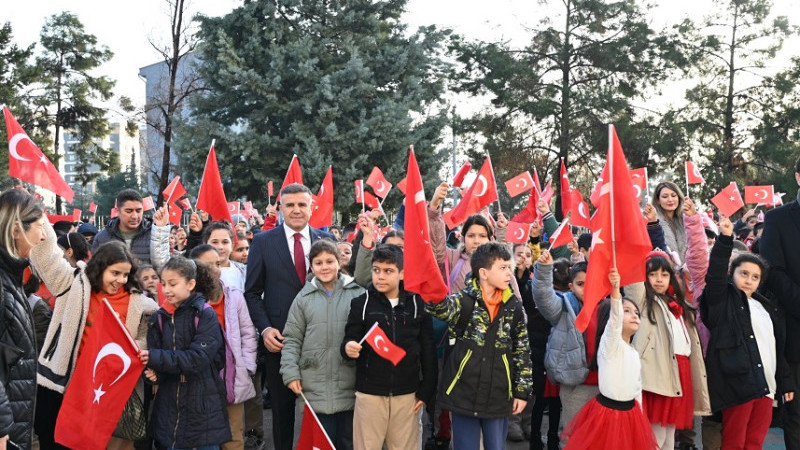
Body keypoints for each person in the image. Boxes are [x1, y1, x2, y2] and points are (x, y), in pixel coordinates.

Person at [31, 223, 158, 449]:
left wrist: (127, 346)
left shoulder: (141, 304)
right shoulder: (74, 285)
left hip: (110, 393)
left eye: (125, 274)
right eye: (115, 273)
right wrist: (39, 222)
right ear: (99, 268)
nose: (120, 280)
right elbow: (47, 259)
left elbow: (147, 338)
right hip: (68, 385)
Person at [244, 183, 333, 450]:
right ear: (280, 207)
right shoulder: (262, 241)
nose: (296, 210)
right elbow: (252, 293)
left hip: (321, 341)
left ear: (311, 207)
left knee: (322, 411)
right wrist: (265, 329)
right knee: (282, 412)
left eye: (302, 204)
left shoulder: (325, 242)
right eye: (290, 205)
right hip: (280, 341)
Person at [425, 242, 532, 450]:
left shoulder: (514, 307)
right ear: (483, 273)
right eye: (502, 268)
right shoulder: (462, 301)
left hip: (498, 396)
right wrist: (429, 279)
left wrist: (522, 391)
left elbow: (522, 351)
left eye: (509, 268)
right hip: (464, 395)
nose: (508, 273)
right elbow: (438, 308)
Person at [701, 215, 795, 449]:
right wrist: (724, 239)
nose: (749, 280)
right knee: (735, 441)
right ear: (731, 274)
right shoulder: (722, 301)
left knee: (755, 441)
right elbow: (714, 275)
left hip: (766, 387)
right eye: (743, 274)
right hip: (737, 385)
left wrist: (785, 383)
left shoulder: (766, 308)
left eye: (755, 277)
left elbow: (775, 349)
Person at [342, 244, 437, 450]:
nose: (381, 277)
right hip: (370, 395)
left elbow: (428, 350)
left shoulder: (417, 304)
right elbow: (350, 338)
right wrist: (348, 347)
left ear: (402, 274)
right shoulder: (362, 303)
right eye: (376, 270)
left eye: (388, 271)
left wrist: (426, 390)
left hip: (407, 395)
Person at [281, 240, 365, 449]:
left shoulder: (356, 293)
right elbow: (292, 338)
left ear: (339, 262)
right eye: (318, 263)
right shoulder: (303, 298)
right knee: (320, 443)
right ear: (311, 266)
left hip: (349, 385)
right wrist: (290, 373)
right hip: (313, 387)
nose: (324, 267)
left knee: (348, 442)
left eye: (330, 261)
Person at [561, 269, 656, 450]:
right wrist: (615, 290)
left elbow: (637, 389)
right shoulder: (611, 344)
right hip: (607, 415)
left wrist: (641, 415)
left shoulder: (633, 351)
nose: (634, 315)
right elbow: (615, 320)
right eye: (627, 311)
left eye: (636, 312)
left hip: (631, 415)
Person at [144, 256, 231, 449]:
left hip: (202, 401)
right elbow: (156, 358)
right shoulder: (160, 316)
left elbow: (197, 359)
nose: (166, 290)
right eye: (164, 283)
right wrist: (154, 375)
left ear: (191, 284)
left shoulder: (204, 314)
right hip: (169, 401)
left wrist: (154, 357)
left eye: (173, 284)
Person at [627, 252, 711, 449]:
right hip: (659, 372)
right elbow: (634, 286)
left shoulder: (678, 306)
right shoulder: (643, 302)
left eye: (664, 274)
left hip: (680, 370)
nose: (659, 279)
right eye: (652, 274)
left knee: (669, 434)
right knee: (655, 435)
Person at [189, 246, 259, 450]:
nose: (214, 269)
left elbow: (248, 332)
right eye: (207, 264)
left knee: (233, 435)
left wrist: (246, 366)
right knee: (205, 436)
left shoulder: (234, 295)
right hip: (201, 379)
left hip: (233, 376)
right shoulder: (187, 301)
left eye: (217, 264)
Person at [532, 252, 595, 439]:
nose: (586, 289)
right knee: (573, 434)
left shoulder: (609, 306)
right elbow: (544, 298)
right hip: (573, 383)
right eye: (580, 284)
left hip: (602, 382)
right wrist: (543, 271)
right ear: (571, 286)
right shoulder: (565, 306)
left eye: (591, 283)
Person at [0, 189, 45, 449]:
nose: (42, 236)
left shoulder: (12, 277)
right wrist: (2, 428)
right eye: (39, 227)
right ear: (17, 230)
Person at [761, 155, 800, 450]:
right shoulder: (777, 219)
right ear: (798, 177)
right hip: (795, 335)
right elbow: (773, 272)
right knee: (797, 417)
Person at [91, 189, 171, 268]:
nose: (134, 216)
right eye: (129, 211)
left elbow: (162, 267)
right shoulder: (102, 238)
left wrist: (160, 230)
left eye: (138, 211)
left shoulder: (153, 234)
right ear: (118, 211)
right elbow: (95, 271)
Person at [652, 181, 688, 265]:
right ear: (658, 200)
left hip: (689, 274)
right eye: (665, 196)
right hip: (664, 271)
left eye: (673, 195)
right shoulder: (652, 223)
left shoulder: (687, 220)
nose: (670, 200)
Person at [204, 222, 246, 290]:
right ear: (205, 244)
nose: (220, 247)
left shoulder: (244, 271)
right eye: (215, 242)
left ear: (232, 245)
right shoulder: (198, 273)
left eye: (225, 242)